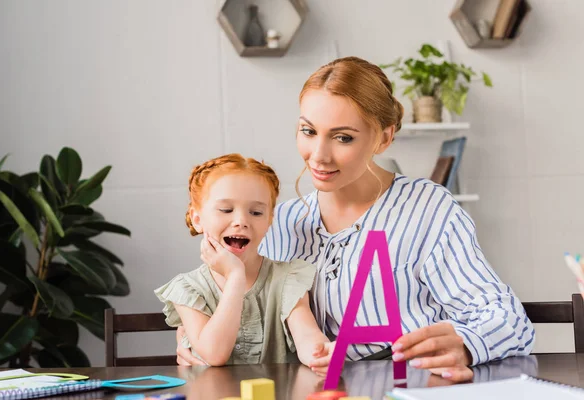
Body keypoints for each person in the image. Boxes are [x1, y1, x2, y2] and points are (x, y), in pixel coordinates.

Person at [176, 57, 535, 383]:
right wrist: (193, 336)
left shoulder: (427, 209)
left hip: (409, 386)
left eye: (343, 137)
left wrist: (468, 345)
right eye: (308, 131)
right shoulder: (280, 222)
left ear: (384, 137)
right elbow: (242, 305)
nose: (318, 155)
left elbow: (510, 321)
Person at [155, 154, 334, 373]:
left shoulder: (288, 278)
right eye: (226, 210)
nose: (241, 221)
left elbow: (307, 334)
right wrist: (235, 278)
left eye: (256, 212)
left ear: (269, 220)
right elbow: (214, 354)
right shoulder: (187, 288)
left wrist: (321, 353)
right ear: (198, 219)